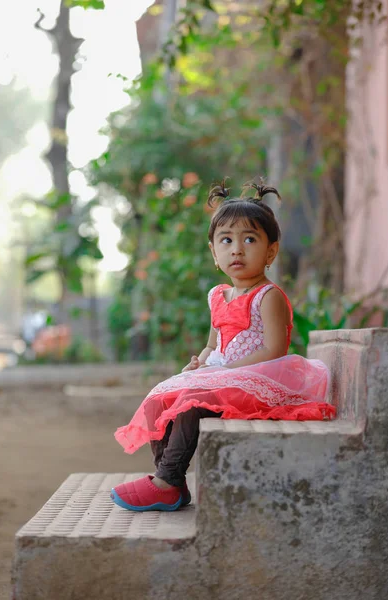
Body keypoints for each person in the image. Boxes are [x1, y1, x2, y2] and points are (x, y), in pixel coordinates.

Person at [110, 176, 336, 512]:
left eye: (249, 239)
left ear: (271, 250)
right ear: (214, 251)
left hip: (259, 379)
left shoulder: (268, 296)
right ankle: (170, 480)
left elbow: (274, 350)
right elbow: (213, 343)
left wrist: (226, 372)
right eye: (226, 240)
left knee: (190, 403)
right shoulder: (218, 295)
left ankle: (166, 480)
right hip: (223, 375)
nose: (237, 249)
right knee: (162, 397)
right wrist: (200, 364)